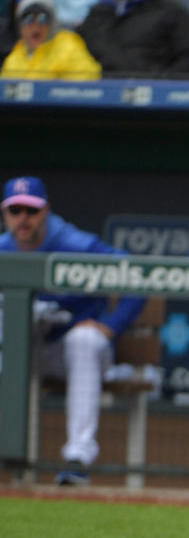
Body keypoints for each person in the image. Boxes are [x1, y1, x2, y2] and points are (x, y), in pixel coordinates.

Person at [0, 176, 146, 485]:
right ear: (5, 214)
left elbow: (137, 274)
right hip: (22, 351)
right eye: (15, 211)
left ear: (46, 211)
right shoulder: (3, 249)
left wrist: (111, 326)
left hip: (75, 354)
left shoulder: (75, 244)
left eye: (31, 210)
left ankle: (77, 458)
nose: (23, 219)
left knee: (83, 339)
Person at [77, 0, 189, 77]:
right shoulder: (95, 16)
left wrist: (162, 84)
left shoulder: (170, 10)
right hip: (100, 100)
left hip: (158, 102)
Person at [1, 0, 102, 80]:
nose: (35, 27)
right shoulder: (15, 57)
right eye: (28, 19)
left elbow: (88, 86)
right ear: (20, 25)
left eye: (43, 19)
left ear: (53, 23)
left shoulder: (68, 48)